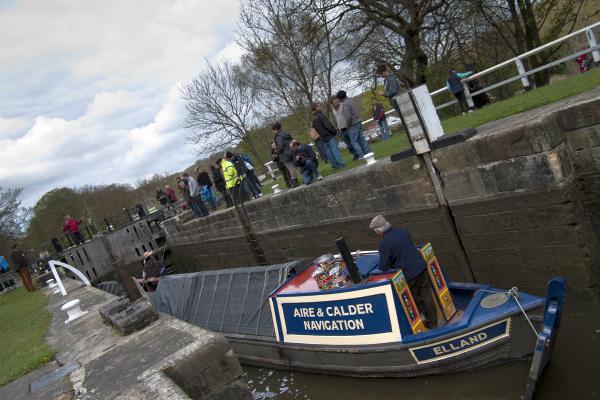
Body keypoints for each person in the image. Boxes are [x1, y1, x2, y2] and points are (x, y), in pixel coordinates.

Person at [369, 215, 438, 329]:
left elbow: (383, 266)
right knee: (426, 295)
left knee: (413, 298)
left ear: (378, 230)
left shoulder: (384, 243)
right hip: (421, 266)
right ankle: (433, 323)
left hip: (409, 274)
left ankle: (421, 322)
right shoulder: (402, 231)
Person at [336, 90, 372, 159]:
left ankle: (361, 155)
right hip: (358, 121)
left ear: (340, 98)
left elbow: (348, 116)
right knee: (362, 139)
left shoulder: (345, 104)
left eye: (338, 98)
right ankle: (368, 152)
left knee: (354, 142)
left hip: (353, 124)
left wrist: (348, 125)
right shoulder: (351, 101)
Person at [311, 102, 345, 169]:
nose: (321, 107)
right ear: (316, 107)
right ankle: (340, 164)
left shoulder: (314, 119)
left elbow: (317, 130)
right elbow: (328, 126)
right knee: (335, 151)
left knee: (329, 152)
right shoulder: (321, 115)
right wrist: (334, 131)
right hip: (329, 136)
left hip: (323, 138)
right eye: (320, 106)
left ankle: (334, 166)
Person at [272, 122, 298, 187]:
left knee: (290, 168)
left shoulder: (278, 136)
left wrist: (277, 153)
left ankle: (294, 182)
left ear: (276, 129)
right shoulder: (286, 133)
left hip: (284, 154)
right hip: (291, 151)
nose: (273, 132)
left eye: (273, 131)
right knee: (294, 166)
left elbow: (281, 145)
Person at [331, 95, 357, 159]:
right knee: (348, 144)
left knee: (353, 142)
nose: (335, 102)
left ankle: (359, 153)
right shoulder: (333, 110)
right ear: (332, 103)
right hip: (341, 129)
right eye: (333, 101)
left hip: (348, 126)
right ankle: (354, 154)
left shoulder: (343, 105)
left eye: (336, 100)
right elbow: (337, 118)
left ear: (338, 100)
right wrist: (337, 127)